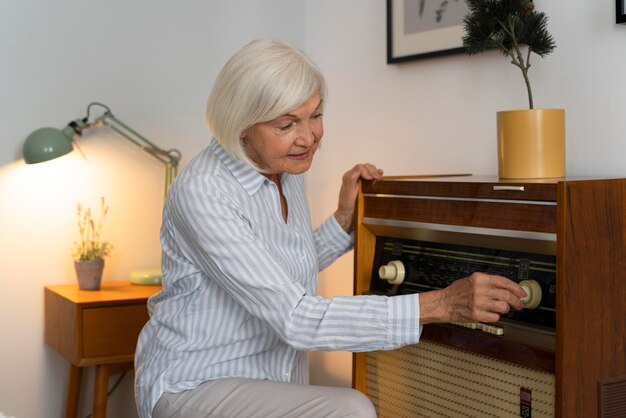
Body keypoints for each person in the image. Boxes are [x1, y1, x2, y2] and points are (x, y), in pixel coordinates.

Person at [134, 39, 527, 418]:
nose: (308, 138)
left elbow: (278, 271)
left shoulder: (283, 168)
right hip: (195, 382)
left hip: (270, 377)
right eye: (287, 124)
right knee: (350, 409)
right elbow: (296, 317)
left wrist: (343, 220)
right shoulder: (204, 192)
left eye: (316, 115)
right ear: (241, 125)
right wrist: (441, 303)